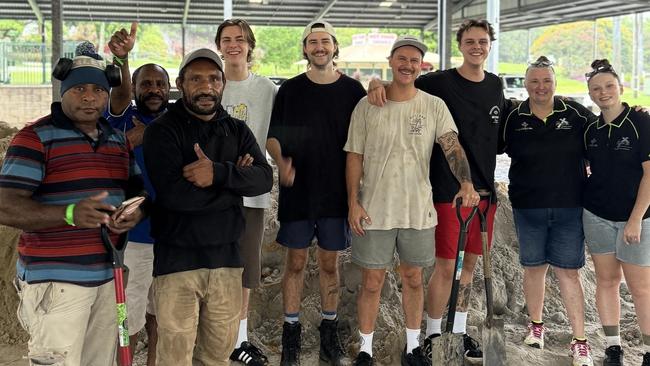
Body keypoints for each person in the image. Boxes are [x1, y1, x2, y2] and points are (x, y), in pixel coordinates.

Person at [368, 19, 511, 361]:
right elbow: (404, 81)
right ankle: (433, 333)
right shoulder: (441, 82)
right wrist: (376, 82)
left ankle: (458, 331)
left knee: (471, 269)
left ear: (490, 45)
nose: (477, 46)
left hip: (485, 195)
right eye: (470, 41)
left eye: (483, 41)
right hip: (450, 193)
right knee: (447, 268)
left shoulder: (495, 84)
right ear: (460, 45)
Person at [0, 43, 145, 365]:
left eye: (98, 89)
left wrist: (131, 215)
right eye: (79, 88)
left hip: (109, 279)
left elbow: (137, 193)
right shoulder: (35, 137)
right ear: (64, 91)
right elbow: (5, 206)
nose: (89, 97)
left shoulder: (117, 140)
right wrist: (68, 214)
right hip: (57, 285)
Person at [345, 36, 479, 366]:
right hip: (374, 210)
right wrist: (353, 202)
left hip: (418, 210)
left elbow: (452, 146)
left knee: (413, 278)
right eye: (402, 59)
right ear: (391, 62)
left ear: (421, 67)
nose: (408, 65)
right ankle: (365, 348)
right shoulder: (367, 105)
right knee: (372, 282)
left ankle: (413, 346)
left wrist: (466, 182)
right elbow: (354, 156)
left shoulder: (433, 105)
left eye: (414, 61)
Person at [142, 48, 273, 366]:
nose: (206, 86)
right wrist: (235, 180)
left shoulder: (237, 130)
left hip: (227, 262)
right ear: (180, 83)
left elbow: (263, 180)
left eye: (214, 78)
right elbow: (175, 196)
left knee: (217, 354)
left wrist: (217, 172)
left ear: (223, 83)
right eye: (196, 79)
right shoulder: (162, 131)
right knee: (175, 355)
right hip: (177, 263)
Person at [266, 20, 366, 366]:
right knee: (294, 262)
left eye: (325, 41)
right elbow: (272, 138)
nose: (319, 47)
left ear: (335, 47)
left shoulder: (354, 91)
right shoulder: (290, 90)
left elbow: (366, 140)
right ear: (305, 49)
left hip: (337, 193)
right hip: (299, 192)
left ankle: (329, 331)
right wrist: (282, 162)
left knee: (328, 263)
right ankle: (290, 334)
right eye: (312, 42)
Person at [500, 56, 595, 365]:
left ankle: (580, 340)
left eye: (546, 81)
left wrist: (635, 114)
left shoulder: (576, 113)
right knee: (534, 268)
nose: (540, 87)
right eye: (534, 81)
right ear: (526, 84)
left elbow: (605, 130)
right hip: (528, 208)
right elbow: (485, 140)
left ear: (556, 83)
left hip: (570, 207)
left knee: (568, 272)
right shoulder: (512, 116)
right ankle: (536, 326)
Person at [106, 21, 171, 366]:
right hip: (135, 239)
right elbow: (119, 94)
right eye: (146, 83)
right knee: (128, 314)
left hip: (172, 236)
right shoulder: (121, 118)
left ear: (170, 88)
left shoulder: (176, 121)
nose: (154, 89)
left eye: (160, 83)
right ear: (137, 88)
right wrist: (123, 61)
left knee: (159, 314)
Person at [214, 18, 277, 366]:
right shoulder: (211, 84)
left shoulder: (266, 89)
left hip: (251, 193)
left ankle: (239, 340)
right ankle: (211, 337)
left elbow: (274, 136)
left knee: (245, 268)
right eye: (227, 39)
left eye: (240, 39)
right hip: (212, 192)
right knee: (213, 265)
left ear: (250, 45)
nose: (233, 45)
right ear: (219, 46)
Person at [582, 59, 650, 366]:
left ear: (620, 87)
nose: (603, 92)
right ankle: (613, 347)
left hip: (636, 219)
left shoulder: (641, 122)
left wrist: (635, 219)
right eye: (596, 88)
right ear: (591, 94)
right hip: (597, 215)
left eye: (609, 86)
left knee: (640, 287)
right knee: (606, 281)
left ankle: (648, 351)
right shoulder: (591, 129)